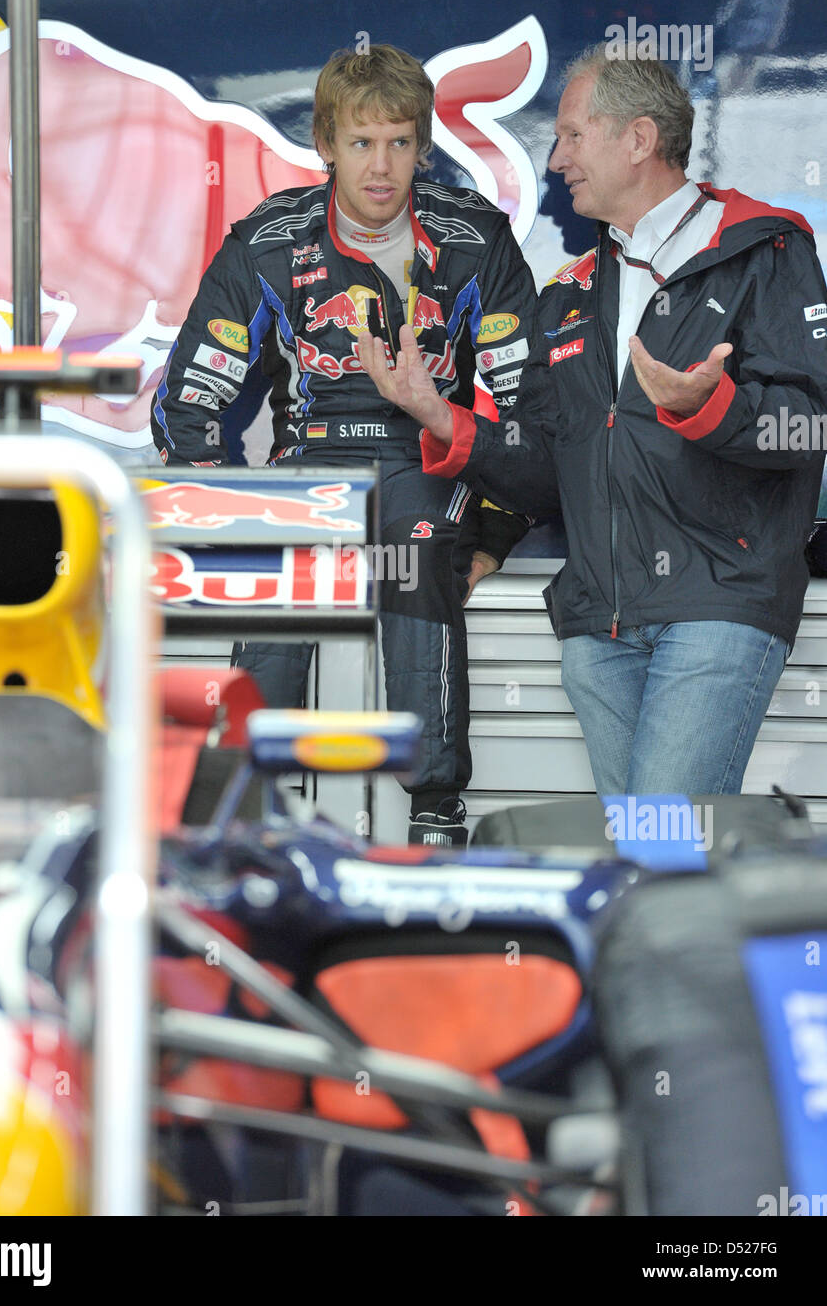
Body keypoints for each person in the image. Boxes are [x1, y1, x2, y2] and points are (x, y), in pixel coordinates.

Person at [359, 45, 827, 797]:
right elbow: (547, 470)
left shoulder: (764, 249)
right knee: (646, 855)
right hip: (597, 630)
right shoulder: (568, 294)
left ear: (637, 140)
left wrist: (706, 407)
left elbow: (807, 426)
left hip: (716, 606)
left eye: (574, 134)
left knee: (662, 844)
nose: (556, 157)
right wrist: (436, 415)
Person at [151, 44, 538, 843]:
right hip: (311, 461)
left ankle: (434, 811)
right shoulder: (267, 240)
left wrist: (494, 531)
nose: (381, 166)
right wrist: (228, 516)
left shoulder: (475, 237)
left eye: (399, 142)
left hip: (424, 457)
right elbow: (188, 397)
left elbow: (529, 406)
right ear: (325, 143)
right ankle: (246, 818)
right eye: (361, 142)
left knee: (423, 546)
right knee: (276, 564)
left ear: (423, 147)